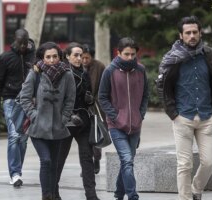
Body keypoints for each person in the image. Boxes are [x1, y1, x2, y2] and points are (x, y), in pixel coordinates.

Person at [156, 16, 212, 200]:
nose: (192, 36)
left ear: (200, 33)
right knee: (184, 164)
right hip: (183, 117)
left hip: (207, 118)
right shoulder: (172, 59)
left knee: (209, 162)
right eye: (188, 33)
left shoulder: (211, 55)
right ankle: (185, 198)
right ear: (180, 35)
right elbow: (161, 86)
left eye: (195, 32)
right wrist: (173, 113)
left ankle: (196, 190)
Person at [19, 42, 76, 200]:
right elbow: (24, 97)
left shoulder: (67, 74)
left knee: (54, 164)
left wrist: (64, 118)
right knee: (46, 160)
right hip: (38, 128)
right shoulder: (35, 73)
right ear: (42, 58)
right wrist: (33, 115)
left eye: (55, 56)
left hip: (58, 127)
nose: (52, 60)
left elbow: (70, 99)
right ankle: (47, 196)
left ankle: (54, 193)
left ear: (60, 57)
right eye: (48, 57)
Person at [98, 37, 149, 200]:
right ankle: (133, 196)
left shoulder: (141, 70)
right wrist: (115, 116)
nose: (130, 57)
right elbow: (102, 97)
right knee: (127, 160)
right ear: (118, 53)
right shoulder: (109, 71)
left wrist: (141, 114)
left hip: (135, 125)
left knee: (127, 161)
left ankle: (119, 194)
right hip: (116, 126)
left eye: (133, 54)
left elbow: (146, 95)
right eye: (126, 54)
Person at [0, 28, 35, 187]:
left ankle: (17, 171)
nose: (22, 46)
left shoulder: (34, 57)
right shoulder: (5, 57)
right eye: (19, 42)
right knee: (15, 136)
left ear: (28, 40)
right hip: (11, 100)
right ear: (15, 40)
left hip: (30, 102)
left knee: (23, 139)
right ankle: (15, 174)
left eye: (25, 42)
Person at [55, 42, 100, 200]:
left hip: (83, 122)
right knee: (60, 159)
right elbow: (57, 99)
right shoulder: (61, 73)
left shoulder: (85, 73)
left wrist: (89, 99)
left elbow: (88, 98)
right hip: (66, 123)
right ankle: (53, 193)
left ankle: (91, 195)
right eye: (75, 55)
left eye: (81, 55)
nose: (79, 58)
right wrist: (67, 115)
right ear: (67, 56)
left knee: (87, 158)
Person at [81, 44, 106, 174]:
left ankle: (96, 159)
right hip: (82, 106)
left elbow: (104, 86)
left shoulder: (100, 67)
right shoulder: (78, 67)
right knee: (84, 137)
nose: (84, 60)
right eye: (82, 58)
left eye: (87, 58)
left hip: (97, 105)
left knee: (96, 134)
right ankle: (86, 164)